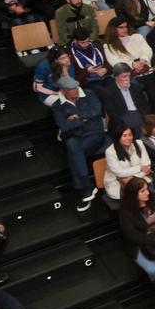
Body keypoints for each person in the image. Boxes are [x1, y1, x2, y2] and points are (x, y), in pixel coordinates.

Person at [53, 76, 107, 210]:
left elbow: (96, 111)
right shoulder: (58, 105)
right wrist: (82, 120)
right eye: (71, 89)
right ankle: (86, 186)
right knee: (73, 146)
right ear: (64, 91)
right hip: (76, 136)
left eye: (75, 87)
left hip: (95, 134)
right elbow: (64, 125)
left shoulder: (88, 94)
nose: (75, 91)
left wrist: (77, 117)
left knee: (73, 151)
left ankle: (85, 186)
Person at [118, 176, 155, 281]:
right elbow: (133, 236)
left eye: (147, 189)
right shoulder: (126, 210)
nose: (147, 193)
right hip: (141, 245)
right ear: (133, 194)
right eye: (142, 191)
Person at [104, 123, 151, 200]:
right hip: (117, 183)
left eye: (130, 135)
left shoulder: (139, 143)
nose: (128, 138)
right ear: (118, 137)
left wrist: (131, 179)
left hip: (139, 179)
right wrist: (140, 168)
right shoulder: (110, 151)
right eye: (124, 136)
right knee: (133, 197)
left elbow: (147, 165)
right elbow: (119, 172)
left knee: (146, 193)